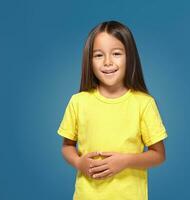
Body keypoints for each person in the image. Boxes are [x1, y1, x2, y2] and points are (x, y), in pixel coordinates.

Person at [57, 20, 168, 200]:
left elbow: (159, 155)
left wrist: (125, 161)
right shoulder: (78, 102)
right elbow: (67, 146)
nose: (107, 62)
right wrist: (78, 162)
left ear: (129, 57)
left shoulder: (143, 103)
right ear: (89, 60)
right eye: (99, 55)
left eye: (116, 53)